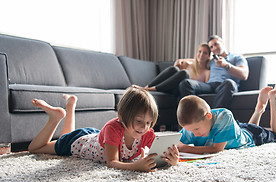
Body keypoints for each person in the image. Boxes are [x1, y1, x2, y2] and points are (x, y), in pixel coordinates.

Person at [28, 87, 179, 172]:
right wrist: (135, 166)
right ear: (121, 116)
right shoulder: (114, 129)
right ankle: (55, 118)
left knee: (65, 134)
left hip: (95, 136)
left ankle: (70, 106)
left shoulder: (146, 132)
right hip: (78, 142)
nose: (144, 127)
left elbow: (158, 155)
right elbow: (112, 162)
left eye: (148, 122)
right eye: (139, 121)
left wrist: (171, 159)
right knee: (36, 148)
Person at [176, 81, 276, 154]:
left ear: (208, 116)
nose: (194, 134)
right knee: (243, 129)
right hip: (235, 130)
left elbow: (217, 149)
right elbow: (177, 142)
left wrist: (184, 148)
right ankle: (258, 110)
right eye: (190, 130)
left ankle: (273, 98)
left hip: (252, 135)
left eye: (196, 129)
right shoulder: (193, 125)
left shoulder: (224, 116)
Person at [178, 35, 249, 109]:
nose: (214, 48)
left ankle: (213, 117)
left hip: (225, 85)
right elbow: (198, 59)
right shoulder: (212, 61)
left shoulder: (237, 58)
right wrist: (180, 60)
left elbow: (244, 75)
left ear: (222, 43)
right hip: (210, 85)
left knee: (229, 83)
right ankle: (194, 116)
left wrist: (226, 65)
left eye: (216, 44)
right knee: (186, 83)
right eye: (211, 47)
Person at [133, 43, 211, 94]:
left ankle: (150, 89)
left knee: (185, 73)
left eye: (205, 53)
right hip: (169, 86)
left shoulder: (207, 72)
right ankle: (147, 87)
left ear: (209, 56)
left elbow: (204, 87)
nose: (201, 55)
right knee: (174, 69)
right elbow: (178, 63)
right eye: (199, 52)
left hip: (179, 90)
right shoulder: (189, 64)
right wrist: (181, 60)